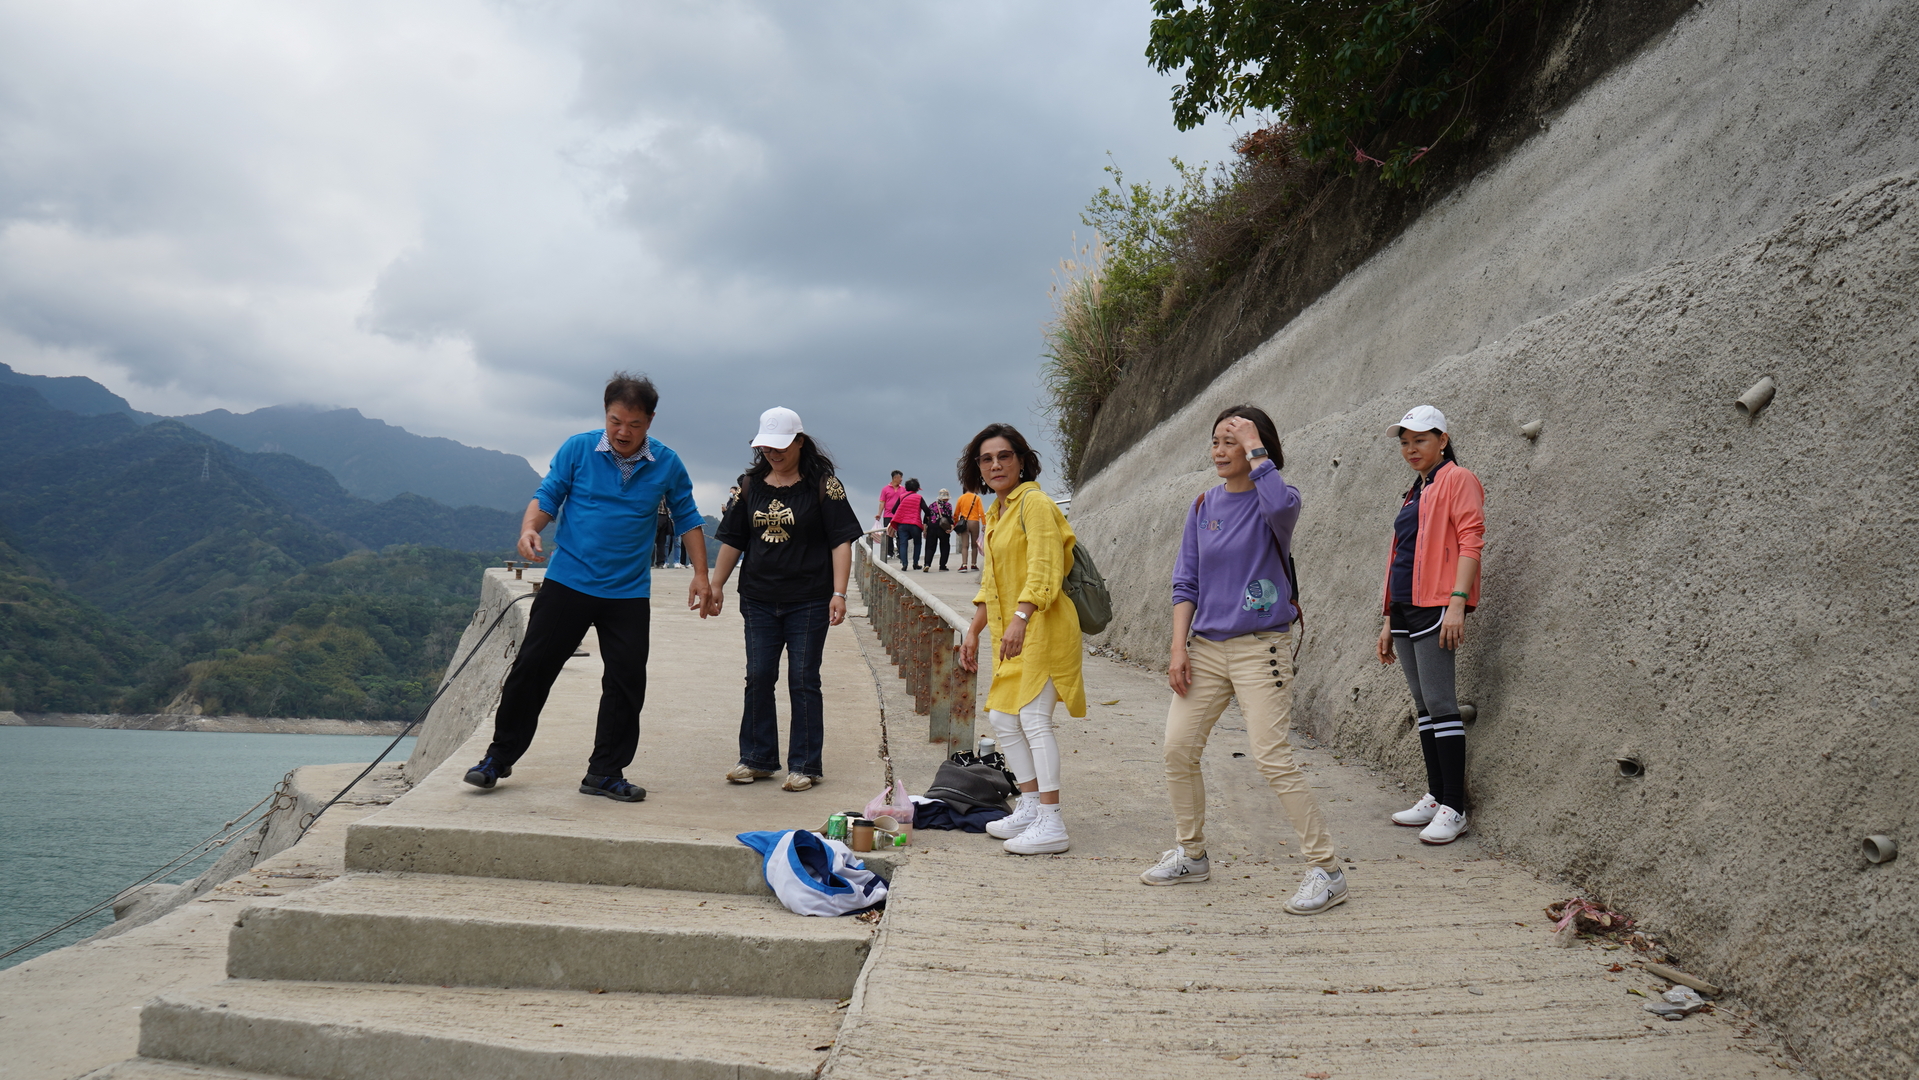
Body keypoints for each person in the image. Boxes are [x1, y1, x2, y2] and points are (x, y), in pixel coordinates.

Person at [463, 373, 708, 803]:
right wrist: (529, 529)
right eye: (615, 421)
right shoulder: (578, 449)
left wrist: (701, 576)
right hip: (569, 582)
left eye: (634, 424)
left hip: (628, 592)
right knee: (532, 669)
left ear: (650, 421)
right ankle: (497, 758)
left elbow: (687, 517)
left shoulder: (667, 463)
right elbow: (548, 496)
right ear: (605, 414)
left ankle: (605, 772)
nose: (623, 432)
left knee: (626, 681)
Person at [1143, 406, 1347, 915]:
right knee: (1177, 750)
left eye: (1231, 440)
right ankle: (1191, 855)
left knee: (1271, 756)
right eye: (1216, 440)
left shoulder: (1278, 499)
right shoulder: (1202, 505)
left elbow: (1279, 505)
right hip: (1207, 650)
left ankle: (1327, 870)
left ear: (1258, 446)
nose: (1219, 450)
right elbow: (1186, 581)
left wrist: (1254, 443)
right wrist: (1178, 647)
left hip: (1261, 648)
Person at [708, 407, 863, 792]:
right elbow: (733, 540)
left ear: (800, 442)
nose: (773, 454)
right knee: (758, 675)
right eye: (766, 447)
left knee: (803, 678)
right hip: (758, 597)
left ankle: (805, 764)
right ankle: (756, 758)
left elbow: (840, 541)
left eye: (780, 446)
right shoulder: (749, 485)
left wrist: (839, 593)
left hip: (809, 598)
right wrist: (716, 584)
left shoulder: (824, 486)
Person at [959, 424, 1085, 855]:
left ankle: (1052, 821)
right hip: (1014, 633)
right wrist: (973, 631)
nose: (995, 465)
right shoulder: (995, 512)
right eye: (986, 459)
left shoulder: (1035, 503)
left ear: (1022, 461)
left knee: (1033, 718)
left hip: (1044, 628)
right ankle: (1030, 805)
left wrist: (1021, 616)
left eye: (1004, 456)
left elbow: (1045, 568)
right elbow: (990, 584)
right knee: (1002, 719)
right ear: (977, 468)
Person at [1376, 404, 1485, 845]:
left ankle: (1454, 807)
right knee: (1423, 704)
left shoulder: (1458, 478)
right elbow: (1399, 555)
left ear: (1442, 440)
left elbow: (1471, 539)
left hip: (1436, 602)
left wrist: (1458, 601)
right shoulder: (1414, 491)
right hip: (1404, 606)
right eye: (1405, 442)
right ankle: (1437, 796)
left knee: (1441, 702)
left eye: (1420, 439)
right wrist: (1388, 617)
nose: (1411, 448)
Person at [890, 478, 925, 570]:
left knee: (903, 543)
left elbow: (893, 510)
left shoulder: (902, 497)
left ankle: (904, 564)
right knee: (917, 543)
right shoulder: (919, 497)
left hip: (902, 524)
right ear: (917, 488)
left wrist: (903, 514)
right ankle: (915, 563)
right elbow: (927, 510)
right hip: (915, 524)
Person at [923, 488, 955, 572]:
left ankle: (927, 564)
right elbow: (949, 517)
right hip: (943, 527)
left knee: (930, 547)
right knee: (944, 546)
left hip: (932, 527)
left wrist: (925, 530)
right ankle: (942, 566)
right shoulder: (948, 505)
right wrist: (951, 527)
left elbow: (926, 519)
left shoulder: (932, 505)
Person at [954, 485, 985, 571]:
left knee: (965, 545)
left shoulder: (961, 498)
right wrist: (984, 524)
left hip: (964, 523)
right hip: (975, 522)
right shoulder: (977, 498)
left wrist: (956, 523)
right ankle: (973, 564)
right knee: (974, 545)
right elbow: (981, 512)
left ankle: (964, 565)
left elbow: (956, 513)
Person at [878, 470, 904, 560]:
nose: (901, 479)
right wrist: (879, 514)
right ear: (895, 478)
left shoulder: (903, 489)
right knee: (888, 533)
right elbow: (882, 503)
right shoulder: (885, 489)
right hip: (888, 514)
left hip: (899, 515)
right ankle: (889, 552)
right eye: (900, 477)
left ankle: (900, 552)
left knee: (900, 533)